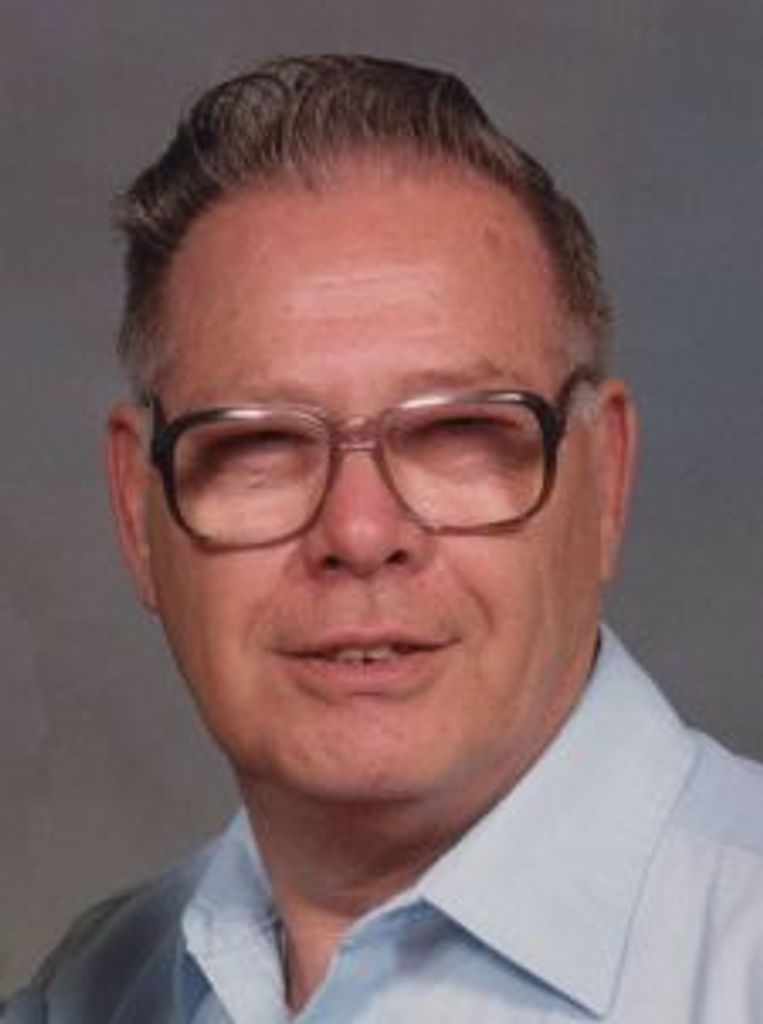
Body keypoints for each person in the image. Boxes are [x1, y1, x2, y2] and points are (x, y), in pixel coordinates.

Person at [4, 54, 763, 1023]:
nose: (360, 533)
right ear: (135, 511)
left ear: (604, 480)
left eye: (457, 433)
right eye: (260, 444)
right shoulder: (85, 994)